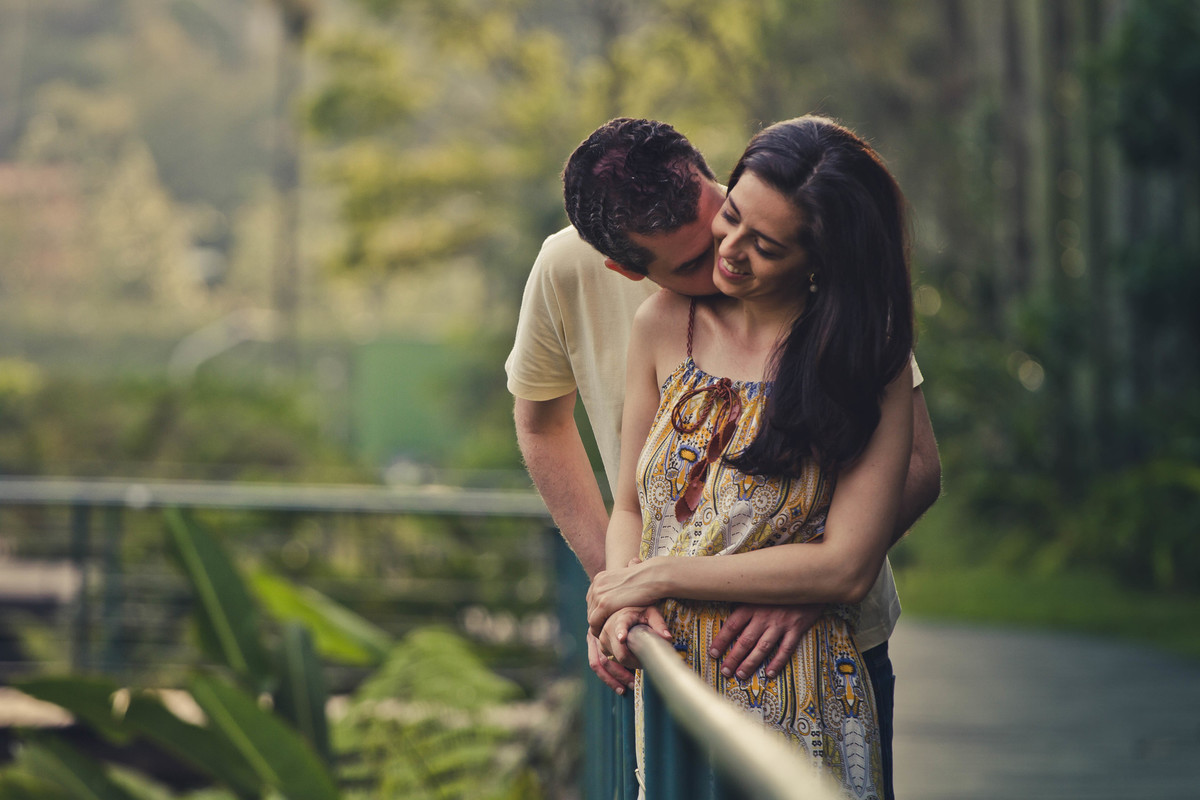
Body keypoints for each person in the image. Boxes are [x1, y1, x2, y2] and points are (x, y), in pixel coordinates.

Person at [506, 118, 939, 799]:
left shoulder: (848, 321)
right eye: (696, 256)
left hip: (813, 654)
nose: (724, 257)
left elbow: (913, 472)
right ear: (627, 270)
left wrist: (805, 587)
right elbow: (578, 456)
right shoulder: (626, 302)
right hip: (676, 661)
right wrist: (619, 594)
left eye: (733, 221)